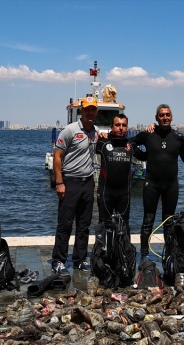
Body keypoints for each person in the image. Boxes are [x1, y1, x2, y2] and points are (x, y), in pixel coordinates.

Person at [130, 104, 184, 262]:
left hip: (171, 185)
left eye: (167, 115)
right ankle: (144, 255)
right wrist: (143, 156)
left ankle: (168, 254)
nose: (165, 118)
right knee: (148, 220)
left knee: (169, 222)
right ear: (156, 118)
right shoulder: (148, 134)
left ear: (172, 117)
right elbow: (130, 142)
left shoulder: (177, 137)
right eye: (161, 115)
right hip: (152, 184)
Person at [51, 96, 99, 275]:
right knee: (65, 224)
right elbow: (57, 156)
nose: (90, 112)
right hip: (70, 182)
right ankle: (58, 260)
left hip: (88, 182)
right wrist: (59, 182)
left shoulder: (95, 132)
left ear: (96, 112)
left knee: (84, 225)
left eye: (93, 109)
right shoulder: (70, 130)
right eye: (87, 109)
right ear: (81, 111)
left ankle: (79, 259)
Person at [96, 114, 133, 224]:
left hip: (124, 194)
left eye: (124, 125)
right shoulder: (102, 142)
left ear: (127, 127)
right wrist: (100, 135)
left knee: (123, 226)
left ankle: (124, 242)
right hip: (105, 193)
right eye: (117, 125)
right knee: (103, 224)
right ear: (112, 126)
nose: (121, 128)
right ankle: (102, 242)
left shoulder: (131, 145)